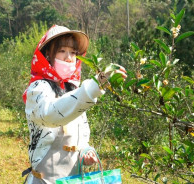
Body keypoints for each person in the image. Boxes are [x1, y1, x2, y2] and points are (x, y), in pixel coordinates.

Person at [22, 25, 127, 184]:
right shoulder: (38, 89)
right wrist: (95, 84)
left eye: (72, 52)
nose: (68, 57)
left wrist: (85, 151)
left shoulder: (72, 89)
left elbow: (81, 134)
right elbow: (51, 114)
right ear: (48, 54)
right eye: (62, 51)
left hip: (72, 179)